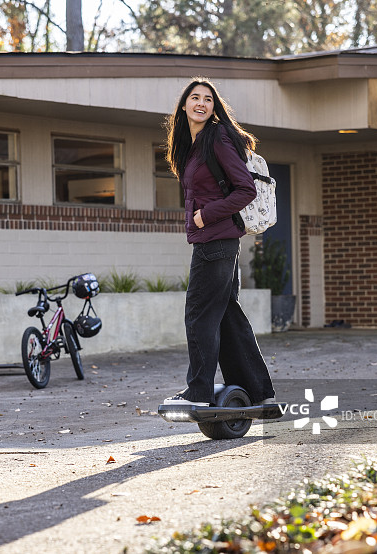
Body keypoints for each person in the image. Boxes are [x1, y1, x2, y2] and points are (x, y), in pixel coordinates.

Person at [161, 78, 276, 407]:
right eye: (194, 97)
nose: (201, 103)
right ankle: (261, 394)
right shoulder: (193, 146)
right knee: (226, 315)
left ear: (214, 107)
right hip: (217, 242)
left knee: (198, 315)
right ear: (183, 106)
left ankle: (197, 393)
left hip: (215, 241)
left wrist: (204, 216)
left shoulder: (217, 136)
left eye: (207, 99)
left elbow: (246, 189)